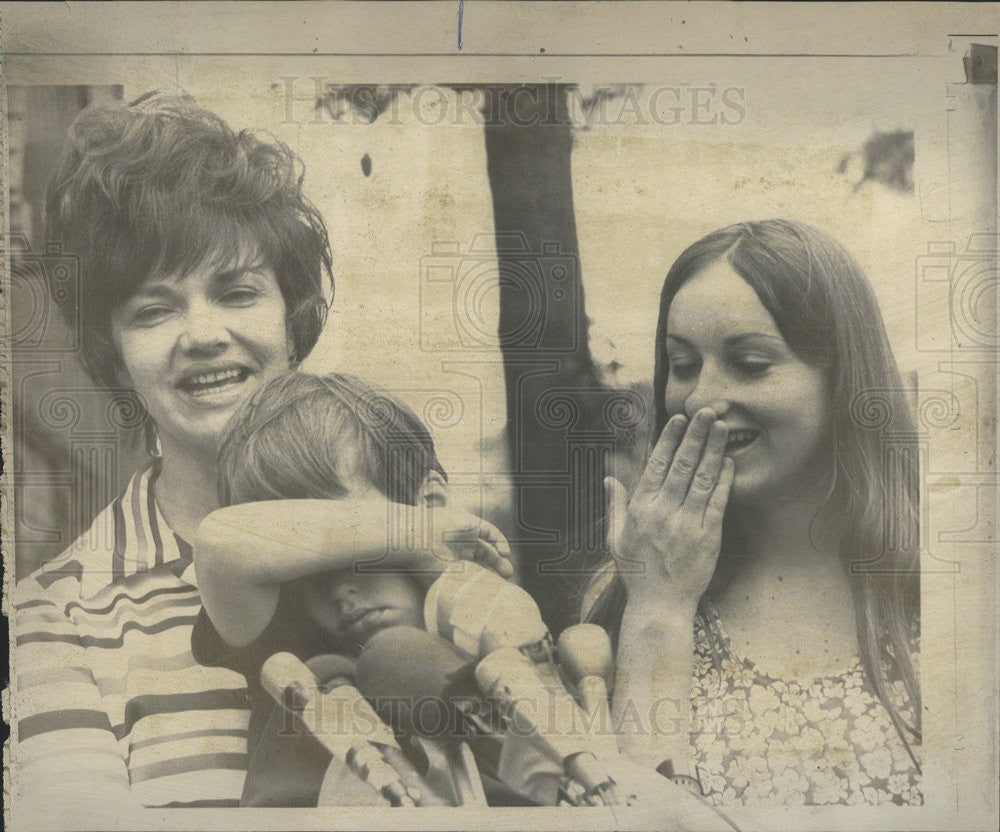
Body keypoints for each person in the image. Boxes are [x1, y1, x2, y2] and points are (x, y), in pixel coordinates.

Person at [11, 92, 507, 817]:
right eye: (153, 311)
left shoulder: (406, 556)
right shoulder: (55, 618)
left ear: (291, 314)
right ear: (111, 358)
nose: (202, 334)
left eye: (236, 292)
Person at [585, 220, 921, 807]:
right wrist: (659, 605)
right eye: (683, 365)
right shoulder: (629, 595)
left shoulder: (954, 582)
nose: (699, 399)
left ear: (841, 376)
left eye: (750, 362)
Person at [193, 370, 508, 806]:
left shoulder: (499, 649)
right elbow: (217, 544)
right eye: (306, 565)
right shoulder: (292, 646)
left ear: (431, 502)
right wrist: (415, 531)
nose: (338, 590)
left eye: (355, 553)